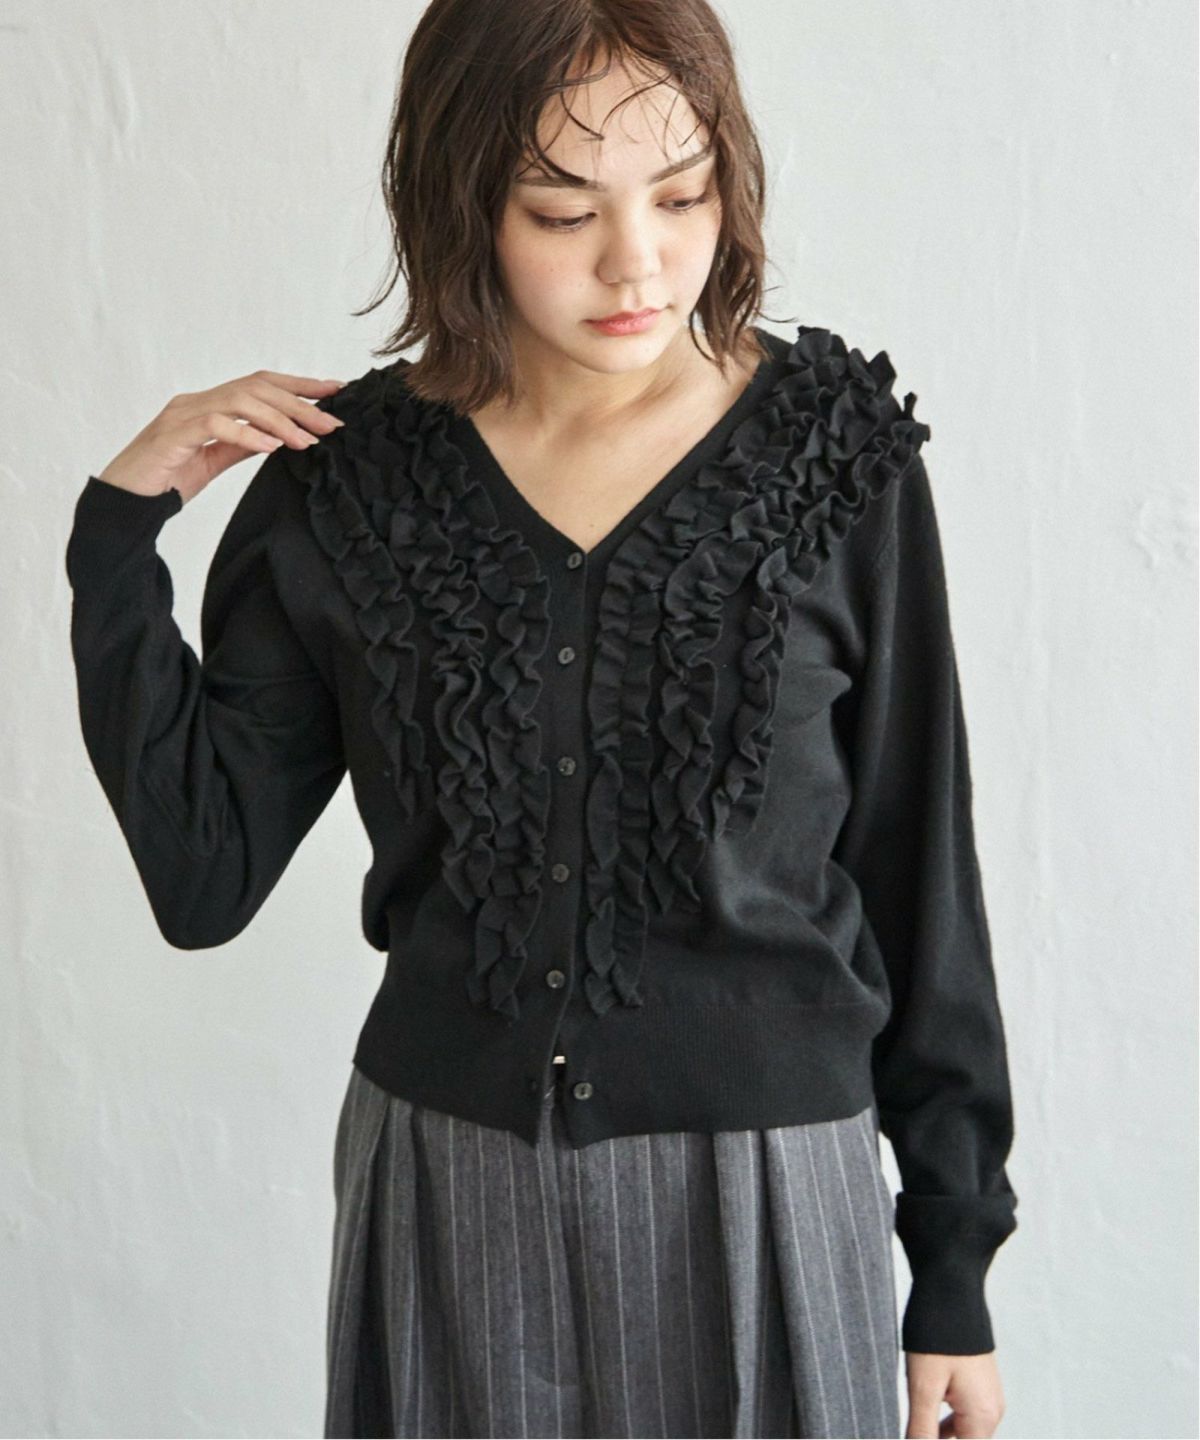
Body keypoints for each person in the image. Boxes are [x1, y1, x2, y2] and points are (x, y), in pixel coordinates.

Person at [63, 1, 1019, 1436]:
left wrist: (952, 1266)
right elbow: (205, 877)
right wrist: (116, 538)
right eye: (564, 211)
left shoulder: (829, 459)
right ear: (463, 208)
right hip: (450, 1195)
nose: (639, 262)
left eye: (682, 196)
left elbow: (917, 866)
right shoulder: (346, 485)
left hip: (770, 1187)